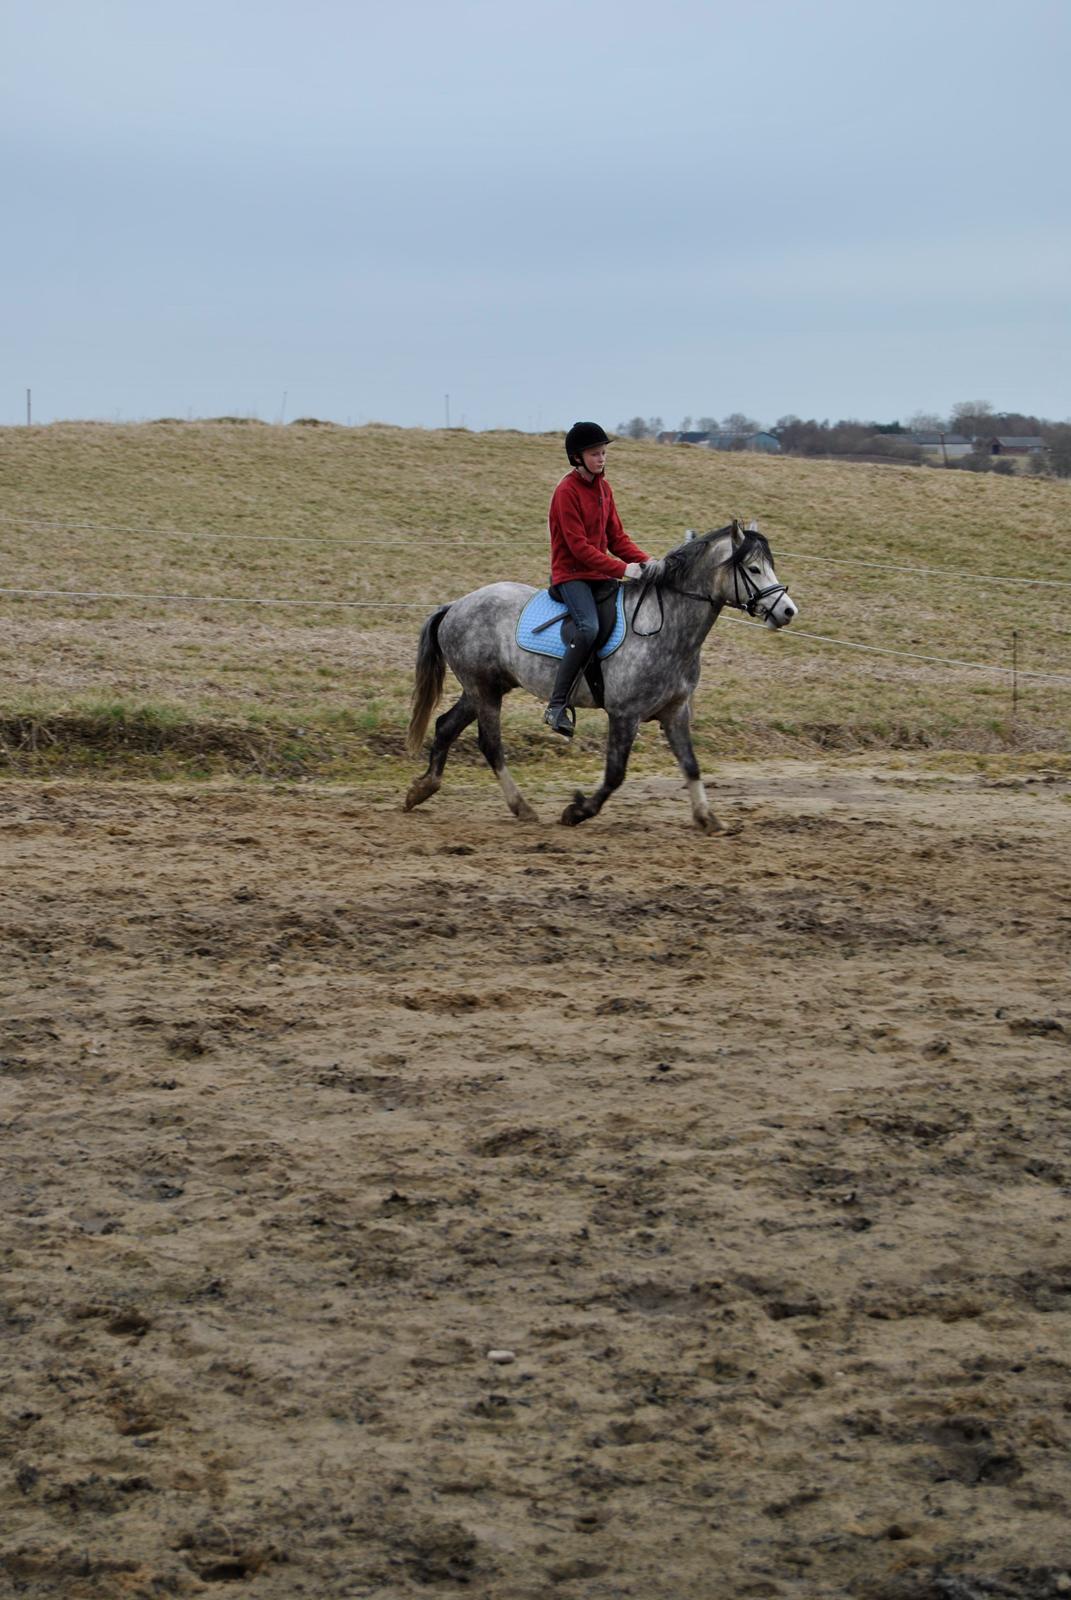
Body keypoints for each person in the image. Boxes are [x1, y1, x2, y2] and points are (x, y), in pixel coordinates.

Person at [543, 421, 662, 738]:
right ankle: (556, 704)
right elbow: (578, 549)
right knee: (589, 628)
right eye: (595, 453)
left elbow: (617, 538)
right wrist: (622, 570)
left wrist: (645, 561)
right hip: (571, 576)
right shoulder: (565, 493)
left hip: (599, 575)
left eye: (604, 453)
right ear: (577, 457)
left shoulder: (603, 490)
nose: (602, 458)